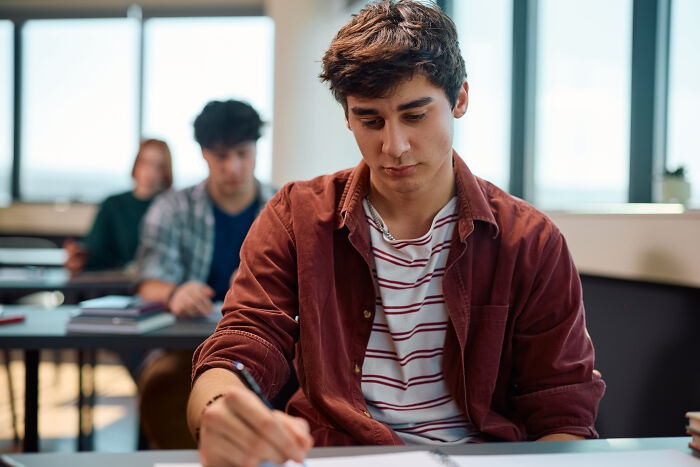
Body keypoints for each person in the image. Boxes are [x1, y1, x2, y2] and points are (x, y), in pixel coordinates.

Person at [187, 1, 606, 465]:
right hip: (335, 456)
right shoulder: (296, 216)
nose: (394, 146)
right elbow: (244, 342)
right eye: (370, 120)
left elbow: (561, 411)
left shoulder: (530, 241)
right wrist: (219, 409)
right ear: (347, 117)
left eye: (415, 115)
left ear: (460, 99)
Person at [135, 99, 276, 448]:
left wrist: (257, 288)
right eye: (221, 156)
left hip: (267, 349)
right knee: (165, 384)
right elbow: (148, 283)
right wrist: (174, 294)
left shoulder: (282, 207)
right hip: (186, 350)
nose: (234, 167)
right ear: (203, 154)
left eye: (243, 153)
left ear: (257, 147)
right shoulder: (172, 208)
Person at [63, 139, 173, 275]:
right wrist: (79, 259)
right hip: (116, 284)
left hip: (158, 285)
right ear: (136, 164)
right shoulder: (113, 204)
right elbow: (95, 251)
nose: (150, 171)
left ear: (165, 172)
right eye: (146, 162)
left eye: (158, 166)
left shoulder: (171, 208)